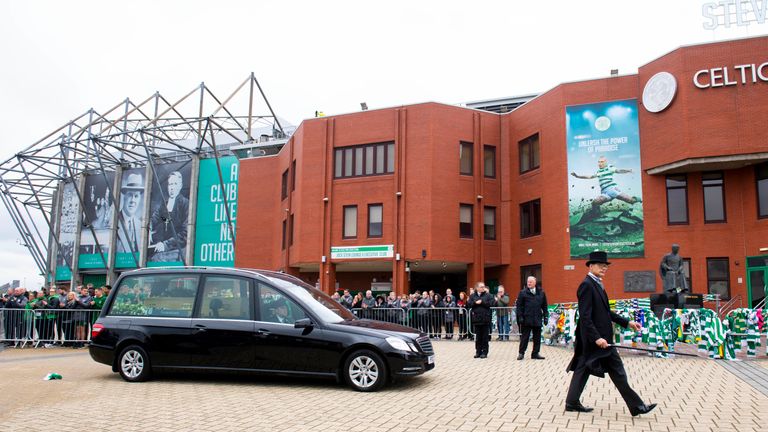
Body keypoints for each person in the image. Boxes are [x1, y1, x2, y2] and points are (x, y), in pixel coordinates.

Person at [565, 251, 657, 416]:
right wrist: (597, 338)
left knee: (585, 368)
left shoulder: (597, 284)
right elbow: (585, 316)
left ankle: (572, 403)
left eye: (605, 266)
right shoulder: (586, 285)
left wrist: (626, 322)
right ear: (591, 265)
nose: (604, 268)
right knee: (615, 370)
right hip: (595, 339)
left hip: (601, 338)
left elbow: (606, 312)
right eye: (601, 265)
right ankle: (637, 406)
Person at [570, 156, 639, 216]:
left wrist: (628, 170)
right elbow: (589, 176)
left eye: (602, 162)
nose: (600, 163)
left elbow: (618, 170)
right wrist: (577, 176)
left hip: (613, 190)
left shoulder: (609, 168)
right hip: (605, 193)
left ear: (605, 162)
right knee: (595, 202)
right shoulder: (598, 172)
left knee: (631, 201)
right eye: (599, 162)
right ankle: (596, 214)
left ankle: (638, 199)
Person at [148, 171, 189, 262]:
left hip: (178, 249)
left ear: (180, 186)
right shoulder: (165, 204)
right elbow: (157, 218)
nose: (172, 187)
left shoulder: (185, 204)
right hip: (163, 247)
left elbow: (185, 233)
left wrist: (165, 244)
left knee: (155, 260)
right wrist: (149, 228)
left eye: (175, 184)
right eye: (170, 184)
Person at [516, 276, 548, 360]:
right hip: (526, 319)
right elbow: (519, 306)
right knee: (525, 337)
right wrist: (520, 317)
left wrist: (546, 316)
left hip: (537, 318)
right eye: (528, 282)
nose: (529, 283)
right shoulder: (523, 293)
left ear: (535, 283)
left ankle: (535, 353)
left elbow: (544, 306)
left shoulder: (541, 293)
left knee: (537, 337)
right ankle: (521, 353)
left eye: (530, 282)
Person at [116, 172, 145, 255]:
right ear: (124, 196)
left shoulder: (140, 224)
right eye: (130, 195)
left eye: (136, 196)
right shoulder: (113, 221)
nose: (133, 200)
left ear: (139, 199)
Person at [469, 282, 493, 358]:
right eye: (481, 287)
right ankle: (478, 352)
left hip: (485, 319)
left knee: (485, 337)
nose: (483, 288)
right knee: (478, 337)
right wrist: (475, 303)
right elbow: (469, 304)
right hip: (476, 319)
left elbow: (492, 303)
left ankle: (485, 352)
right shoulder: (473, 296)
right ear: (477, 288)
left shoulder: (488, 295)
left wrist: (482, 302)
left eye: (483, 287)